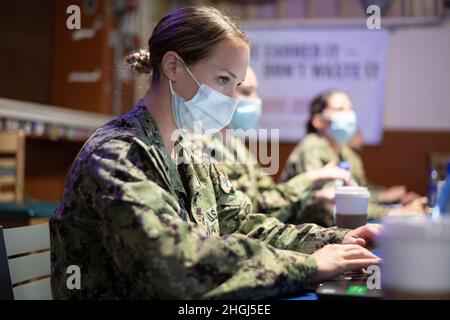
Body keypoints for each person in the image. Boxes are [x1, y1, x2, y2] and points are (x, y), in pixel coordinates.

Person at [50, 7, 380, 300]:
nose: (231, 99)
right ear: (173, 67)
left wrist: (337, 239)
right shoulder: (117, 154)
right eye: (223, 79)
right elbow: (176, 265)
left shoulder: (189, 151)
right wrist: (308, 266)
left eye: (235, 85)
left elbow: (241, 224)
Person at [191, 66, 354, 224]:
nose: (255, 99)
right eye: (247, 92)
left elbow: (267, 194)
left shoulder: (235, 143)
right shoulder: (204, 146)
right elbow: (250, 212)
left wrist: (317, 194)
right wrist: (311, 179)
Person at [280, 90, 428, 226]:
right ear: (318, 121)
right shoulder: (311, 146)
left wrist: (393, 199)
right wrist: (394, 213)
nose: (348, 114)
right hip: (300, 232)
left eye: (350, 108)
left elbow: (359, 190)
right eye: (340, 109)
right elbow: (333, 203)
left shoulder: (346, 151)